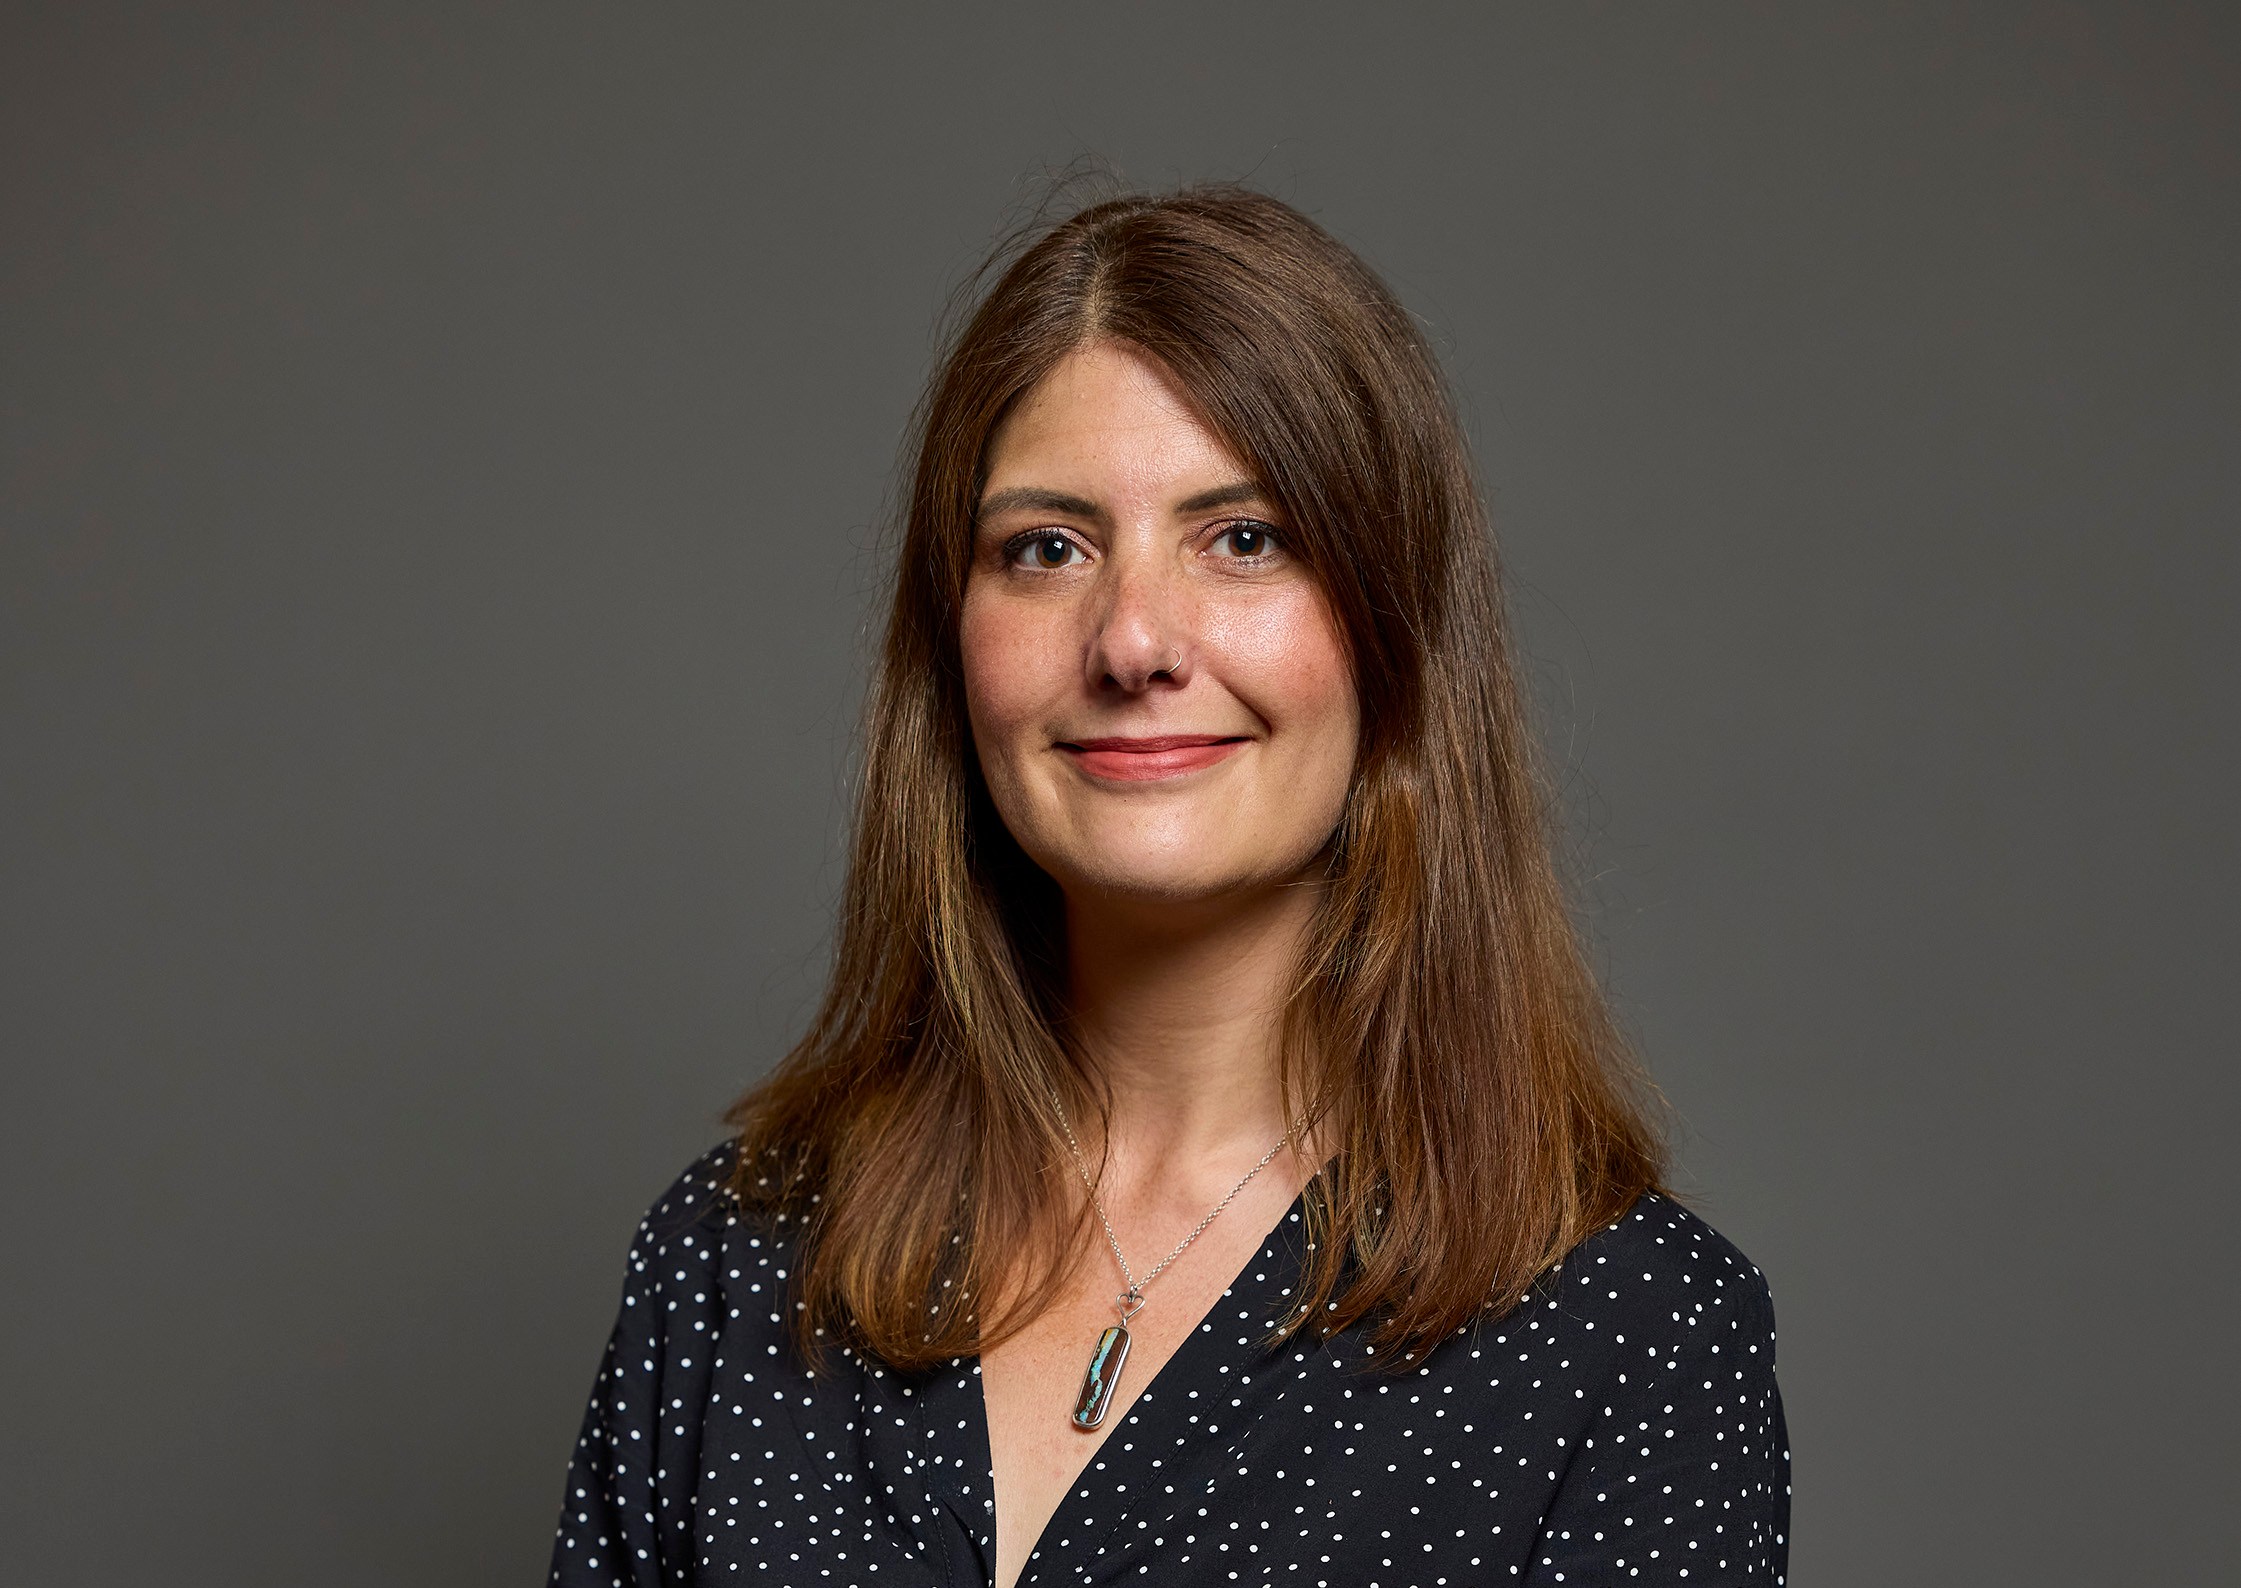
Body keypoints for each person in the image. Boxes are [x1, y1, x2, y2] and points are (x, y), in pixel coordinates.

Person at [548, 186, 1789, 1587]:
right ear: (951, 645)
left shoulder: (1633, 1339)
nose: (1132, 641)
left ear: (1394, 636)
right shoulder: (733, 1260)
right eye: (1047, 548)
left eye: (1244, 538)